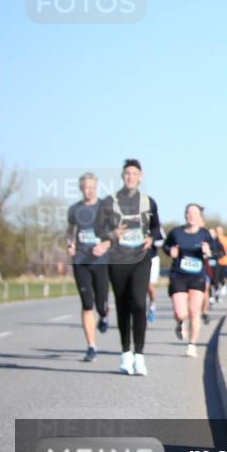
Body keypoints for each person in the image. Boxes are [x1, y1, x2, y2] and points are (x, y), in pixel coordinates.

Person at [93, 159, 161, 376]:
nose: (130, 177)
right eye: (127, 173)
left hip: (141, 258)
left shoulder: (148, 202)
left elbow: (157, 228)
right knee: (123, 305)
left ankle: (139, 355)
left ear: (140, 177)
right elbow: (99, 229)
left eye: (134, 173)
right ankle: (125, 353)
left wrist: (151, 238)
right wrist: (113, 235)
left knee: (139, 303)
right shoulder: (109, 202)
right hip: (118, 259)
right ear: (122, 177)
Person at [163, 204, 218, 358]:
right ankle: (180, 323)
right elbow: (166, 246)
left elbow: (215, 252)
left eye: (194, 213)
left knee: (195, 311)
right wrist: (170, 251)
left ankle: (192, 345)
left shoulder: (205, 234)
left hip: (197, 276)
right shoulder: (176, 232)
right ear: (185, 215)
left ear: (200, 217)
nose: (191, 215)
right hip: (178, 275)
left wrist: (208, 251)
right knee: (181, 313)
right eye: (188, 213)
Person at [65, 172, 110, 362]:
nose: (88, 190)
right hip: (81, 261)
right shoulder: (74, 209)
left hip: (101, 261)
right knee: (87, 303)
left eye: (92, 187)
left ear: (96, 187)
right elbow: (70, 231)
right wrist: (70, 244)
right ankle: (91, 346)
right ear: (81, 188)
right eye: (85, 187)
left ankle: (104, 315)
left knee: (101, 303)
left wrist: (105, 245)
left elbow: (115, 233)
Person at [147, 223, 165, 323]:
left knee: (150, 286)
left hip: (152, 258)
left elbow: (161, 241)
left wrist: (151, 240)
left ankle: (152, 306)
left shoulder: (155, 222)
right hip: (134, 259)